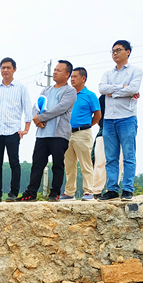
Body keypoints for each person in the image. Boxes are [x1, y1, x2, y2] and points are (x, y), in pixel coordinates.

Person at [18, 60, 77, 202]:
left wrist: (40, 118)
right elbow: (35, 107)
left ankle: (54, 193)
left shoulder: (70, 91)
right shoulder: (46, 90)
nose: (55, 72)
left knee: (57, 165)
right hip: (43, 134)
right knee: (37, 164)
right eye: (55, 69)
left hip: (59, 134)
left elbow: (61, 108)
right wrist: (35, 118)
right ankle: (31, 193)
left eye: (59, 70)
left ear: (67, 74)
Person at [98, 40, 143, 201]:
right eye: (112, 51)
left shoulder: (135, 71)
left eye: (118, 50)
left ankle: (128, 189)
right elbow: (102, 89)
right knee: (111, 157)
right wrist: (123, 89)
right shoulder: (107, 73)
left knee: (129, 155)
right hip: (109, 119)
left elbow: (133, 89)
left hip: (127, 118)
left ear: (128, 52)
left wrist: (115, 91)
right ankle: (111, 189)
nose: (115, 53)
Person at [0, 57, 31, 202]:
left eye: (8, 68)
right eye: (3, 68)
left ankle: (13, 193)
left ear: (14, 69)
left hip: (13, 131)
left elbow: (27, 108)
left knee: (14, 162)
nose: (5, 70)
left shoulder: (21, 87)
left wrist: (26, 129)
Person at [60, 67, 101, 201]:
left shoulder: (90, 95)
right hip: (67, 133)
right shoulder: (67, 95)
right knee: (69, 165)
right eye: (71, 77)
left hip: (82, 133)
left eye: (75, 77)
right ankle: (69, 192)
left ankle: (89, 191)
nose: (72, 79)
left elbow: (98, 115)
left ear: (83, 78)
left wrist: (87, 125)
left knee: (86, 163)